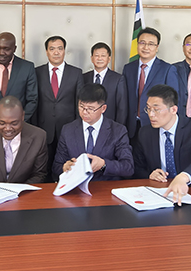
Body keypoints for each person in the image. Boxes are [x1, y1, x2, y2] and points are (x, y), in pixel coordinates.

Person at [133, 85, 191, 204]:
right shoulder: (145, 133)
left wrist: (183, 177)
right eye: (148, 109)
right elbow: (137, 166)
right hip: (161, 191)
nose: (151, 114)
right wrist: (150, 174)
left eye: (156, 109)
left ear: (173, 110)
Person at [53, 84, 133, 181]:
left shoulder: (118, 131)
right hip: (76, 186)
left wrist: (104, 164)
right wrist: (65, 167)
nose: (84, 112)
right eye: (81, 106)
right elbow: (56, 166)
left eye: (90, 109)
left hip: (105, 186)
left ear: (103, 108)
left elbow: (128, 167)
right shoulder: (68, 130)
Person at [34, 35, 84, 175]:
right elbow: (34, 101)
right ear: (46, 52)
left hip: (68, 129)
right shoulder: (37, 72)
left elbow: (79, 103)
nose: (56, 52)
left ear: (64, 51)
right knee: (44, 168)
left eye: (60, 49)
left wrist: (77, 128)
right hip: (43, 129)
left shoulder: (76, 73)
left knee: (67, 169)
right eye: (52, 49)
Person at [122, 27, 180, 140]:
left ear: (157, 47)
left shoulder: (167, 69)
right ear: (137, 44)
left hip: (156, 125)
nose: (146, 47)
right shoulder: (128, 68)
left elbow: (173, 101)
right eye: (142, 43)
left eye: (151, 44)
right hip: (131, 126)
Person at [83, 42, 127, 126]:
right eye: (96, 55)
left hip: (110, 125)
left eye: (103, 56)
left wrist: (118, 128)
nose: (99, 58)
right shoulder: (84, 77)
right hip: (87, 124)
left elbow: (122, 108)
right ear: (92, 58)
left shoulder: (118, 79)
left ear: (109, 59)